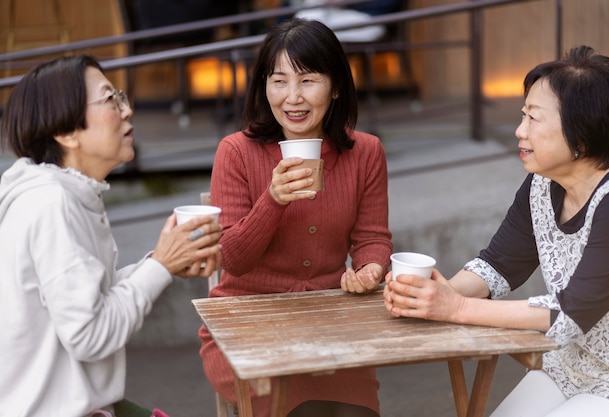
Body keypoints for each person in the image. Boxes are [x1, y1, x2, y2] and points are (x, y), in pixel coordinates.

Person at [384, 45, 609, 417]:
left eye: (534, 118)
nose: (519, 130)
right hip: (566, 367)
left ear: (581, 137)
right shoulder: (542, 185)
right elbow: (498, 265)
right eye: (522, 115)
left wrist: (455, 308)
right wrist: (433, 293)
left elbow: (569, 314)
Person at [0, 55, 222, 417]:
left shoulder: (68, 194)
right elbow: (92, 335)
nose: (128, 110)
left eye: (121, 96)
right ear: (67, 131)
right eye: (110, 100)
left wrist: (163, 262)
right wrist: (162, 265)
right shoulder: (50, 204)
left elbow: (90, 295)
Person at [198, 17, 393, 417]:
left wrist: (371, 270)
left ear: (336, 86)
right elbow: (232, 258)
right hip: (248, 324)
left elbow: (372, 238)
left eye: (308, 80)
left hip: (329, 321)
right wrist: (273, 199)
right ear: (264, 86)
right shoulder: (235, 152)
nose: (292, 97)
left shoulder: (366, 152)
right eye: (279, 80)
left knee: (357, 413)